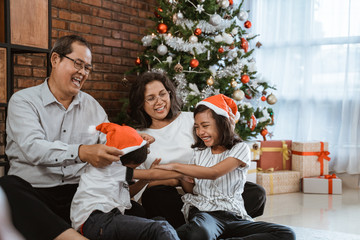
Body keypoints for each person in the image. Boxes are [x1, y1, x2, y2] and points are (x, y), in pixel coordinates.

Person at [0, 35, 126, 240]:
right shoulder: (24, 101)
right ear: (55, 60)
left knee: (138, 213)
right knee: (7, 187)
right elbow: (33, 148)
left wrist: (132, 144)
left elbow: (109, 145)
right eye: (78, 64)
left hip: (78, 193)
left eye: (87, 68)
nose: (82, 72)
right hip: (34, 193)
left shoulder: (93, 106)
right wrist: (82, 152)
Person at [128, 70, 266, 228]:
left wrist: (177, 176)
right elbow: (136, 190)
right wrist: (171, 180)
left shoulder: (191, 120)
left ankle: (208, 225)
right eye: (151, 98)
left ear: (170, 94)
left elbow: (220, 152)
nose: (159, 102)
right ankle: (202, 226)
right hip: (170, 196)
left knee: (256, 193)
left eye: (162, 94)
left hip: (206, 189)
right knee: (155, 197)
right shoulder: (139, 137)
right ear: (141, 103)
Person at [155, 94, 295, 239]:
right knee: (198, 233)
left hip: (234, 216)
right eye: (197, 127)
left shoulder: (240, 148)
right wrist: (183, 177)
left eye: (205, 126)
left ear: (222, 124)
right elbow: (192, 190)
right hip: (206, 215)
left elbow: (214, 172)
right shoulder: (198, 152)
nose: (200, 132)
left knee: (286, 234)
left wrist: (176, 167)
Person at [71, 123, 182, 240]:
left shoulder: (115, 167)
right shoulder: (110, 167)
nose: (133, 170)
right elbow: (152, 174)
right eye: (133, 167)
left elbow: (127, 194)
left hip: (103, 219)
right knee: (161, 228)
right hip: (96, 221)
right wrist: (185, 173)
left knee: (158, 220)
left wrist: (146, 178)